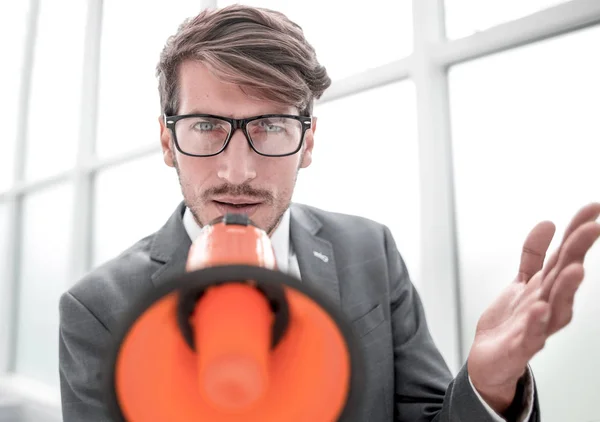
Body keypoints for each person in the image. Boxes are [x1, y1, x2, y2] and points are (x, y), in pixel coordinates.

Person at [58, 4, 600, 422]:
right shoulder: (98, 310)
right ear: (167, 140)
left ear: (308, 140)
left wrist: (488, 385)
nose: (237, 171)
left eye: (270, 126)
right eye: (206, 126)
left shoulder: (370, 253)